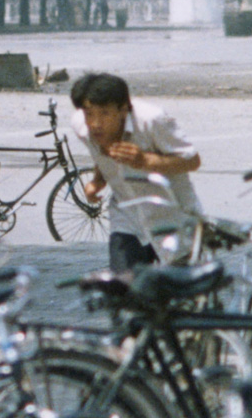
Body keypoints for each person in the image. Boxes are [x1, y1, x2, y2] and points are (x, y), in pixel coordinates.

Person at [69, 72, 203, 272]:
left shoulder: (152, 121)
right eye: (89, 113)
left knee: (179, 296)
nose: (95, 123)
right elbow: (101, 157)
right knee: (125, 290)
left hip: (173, 218)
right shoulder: (81, 126)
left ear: (124, 109)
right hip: (127, 218)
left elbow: (192, 161)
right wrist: (97, 181)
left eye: (104, 113)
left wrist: (145, 160)